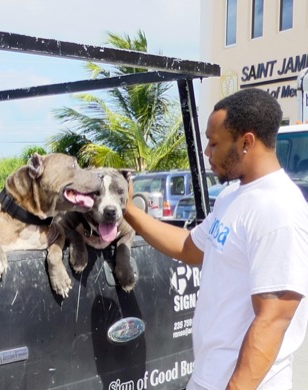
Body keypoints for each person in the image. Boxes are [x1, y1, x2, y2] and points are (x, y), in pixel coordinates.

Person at [124, 88, 308, 389]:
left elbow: (273, 319)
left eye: (214, 143)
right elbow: (190, 246)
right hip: (209, 377)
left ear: (247, 142)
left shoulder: (279, 210)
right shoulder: (233, 196)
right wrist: (128, 211)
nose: (207, 153)